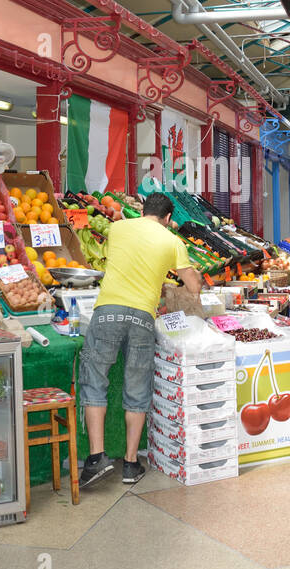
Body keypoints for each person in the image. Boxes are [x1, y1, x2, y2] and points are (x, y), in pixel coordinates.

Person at [79, 191, 201, 487]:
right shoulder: (174, 242)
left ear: (143, 209)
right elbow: (194, 287)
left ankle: (96, 458)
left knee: (95, 380)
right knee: (136, 387)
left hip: (107, 310)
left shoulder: (119, 226)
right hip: (142, 317)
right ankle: (131, 465)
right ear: (169, 218)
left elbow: (125, 261)